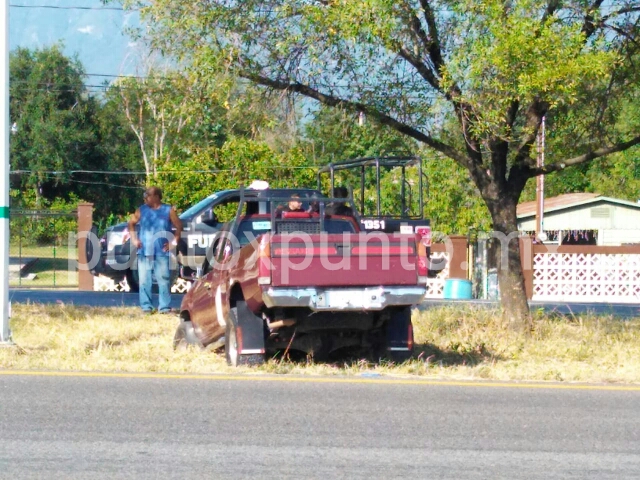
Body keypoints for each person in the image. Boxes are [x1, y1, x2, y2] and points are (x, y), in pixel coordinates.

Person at [128, 186, 183, 314]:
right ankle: (146, 307)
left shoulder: (168, 210)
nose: (145, 197)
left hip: (161, 252)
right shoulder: (141, 210)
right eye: (145, 195)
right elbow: (131, 224)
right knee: (144, 281)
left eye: (148, 195)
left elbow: (179, 226)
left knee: (163, 280)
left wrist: (174, 242)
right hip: (144, 252)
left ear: (157, 196)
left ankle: (164, 308)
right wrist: (134, 239)